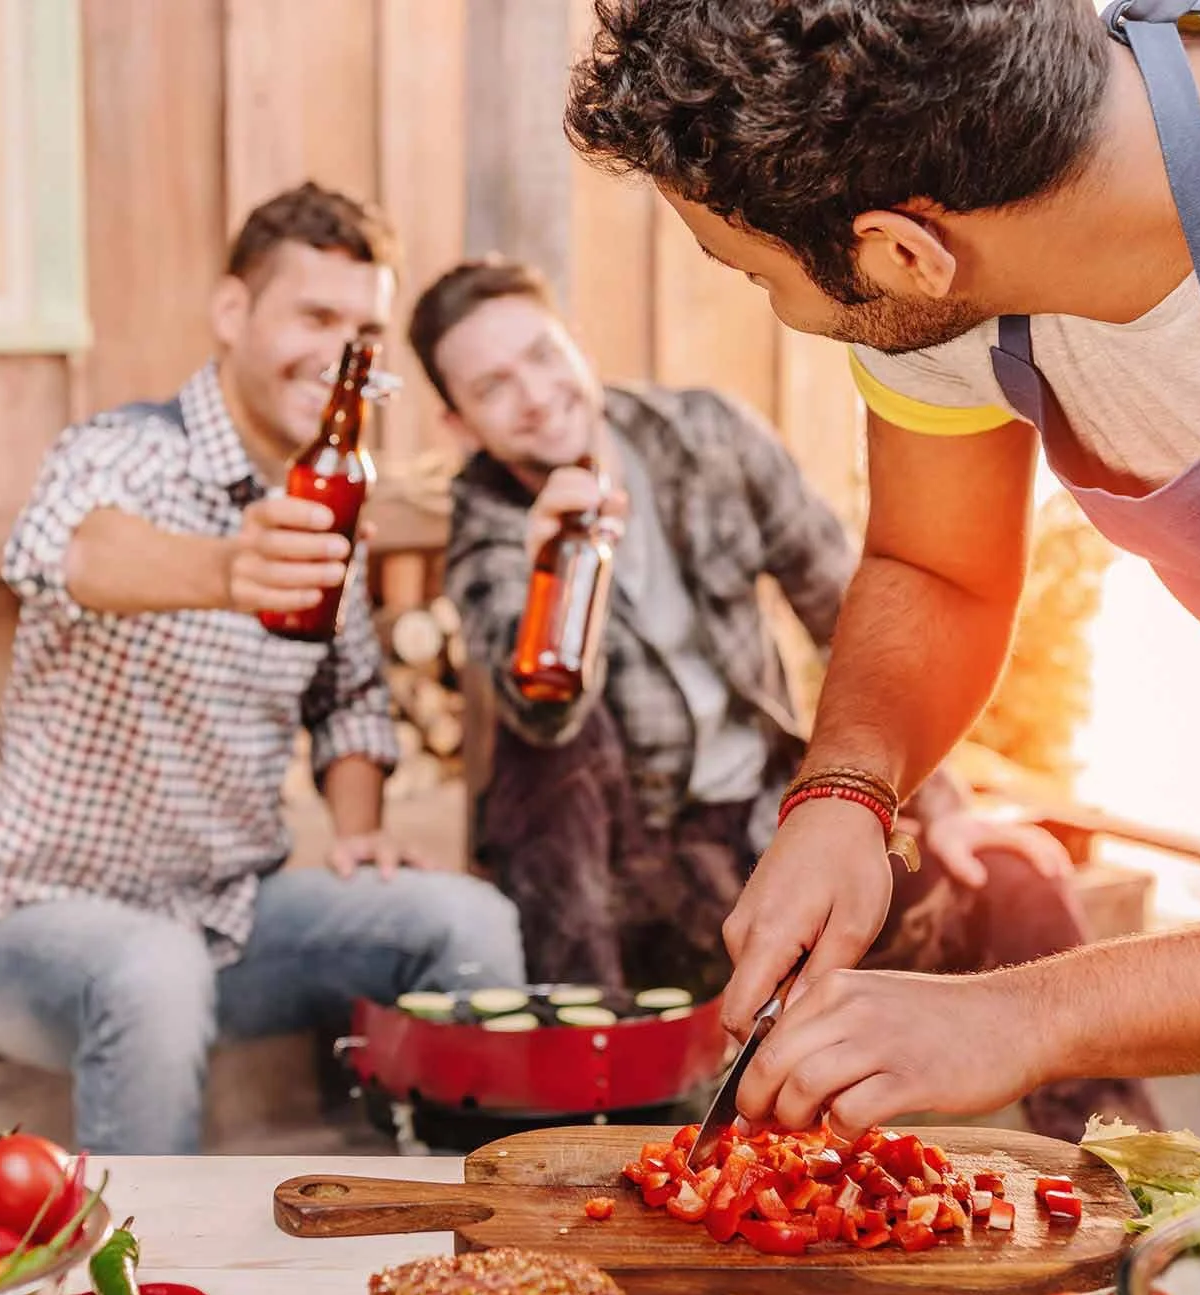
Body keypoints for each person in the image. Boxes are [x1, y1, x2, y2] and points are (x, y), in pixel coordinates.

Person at [564, 0, 1200, 1157]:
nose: (779, 313)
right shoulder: (960, 183)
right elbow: (931, 567)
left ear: (901, 251)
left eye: (746, 276)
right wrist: (844, 792)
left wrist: (1018, 1012)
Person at [416, 256, 1157, 1138]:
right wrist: (555, 576)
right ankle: (591, 1116)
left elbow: (856, 601)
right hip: (623, 877)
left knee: (1014, 880)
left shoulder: (705, 436)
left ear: (575, 343)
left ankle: (1126, 1177)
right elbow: (544, 711)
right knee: (549, 763)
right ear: (458, 424)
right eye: (495, 388)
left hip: (777, 833)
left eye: (541, 356)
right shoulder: (488, 526)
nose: (534, 396)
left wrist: (937, 799)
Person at [0, 184, 525, 1155]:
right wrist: (226, 569)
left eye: (363, 326)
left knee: (465, 918)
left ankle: (469, 1234)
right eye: (314, 314)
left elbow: (347, 697)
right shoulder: (120, 453)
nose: (342, 347)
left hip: (234, 922)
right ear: (231, 313)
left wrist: (356, 831)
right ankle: (140, 1271)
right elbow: (67, 550)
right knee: (152, 968)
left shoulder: (325, 498)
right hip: (34, 935)